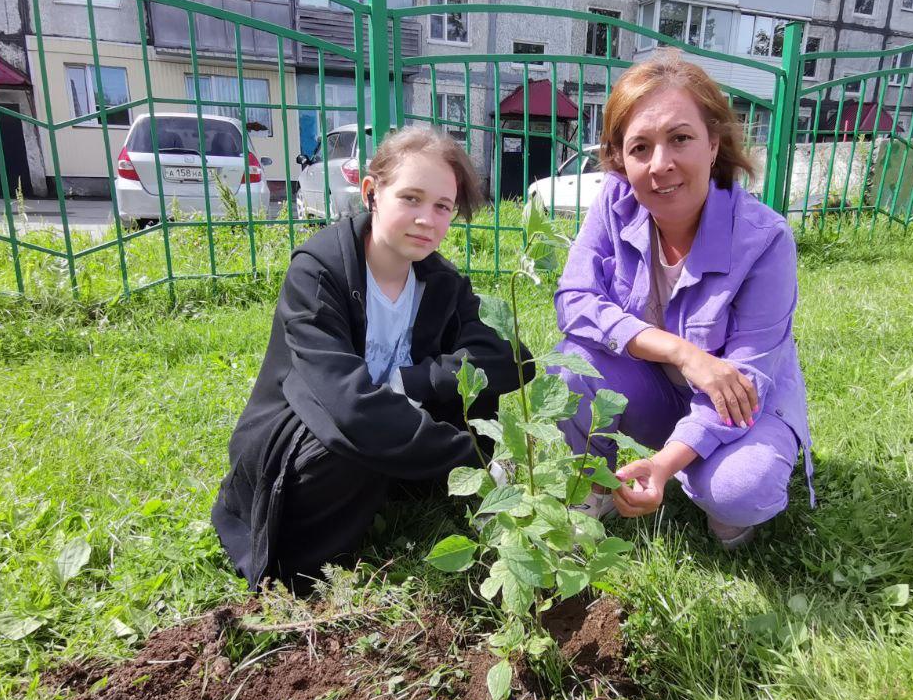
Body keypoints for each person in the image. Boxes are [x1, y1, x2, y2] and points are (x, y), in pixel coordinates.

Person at [212, 127, 532, 588]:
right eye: (411, 198)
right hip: (301, 433)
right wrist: (476, 459)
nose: (427, 218)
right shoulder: (319, 272)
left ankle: (400, 486)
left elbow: (510, 356)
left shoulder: (437, 281)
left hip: (387, 421)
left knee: (476, 390)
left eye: (442, 206)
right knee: (343, 451)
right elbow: (345, 405)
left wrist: (415, 382)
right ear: (371, 193)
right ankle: (318, 565)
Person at [554, 50, 813, 548]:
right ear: (620, 158)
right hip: (660, 390)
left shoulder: (764, 239)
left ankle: (714, 487)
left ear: (713, 143)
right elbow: (574, 299)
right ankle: (593, 488)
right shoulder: (614, 202)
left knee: (739, 490)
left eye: (680, 139)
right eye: (640, 147)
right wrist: (681, 351)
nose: (661, 165)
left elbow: (747, 380)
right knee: (570, 364)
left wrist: (666, 463)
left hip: (743, 405)